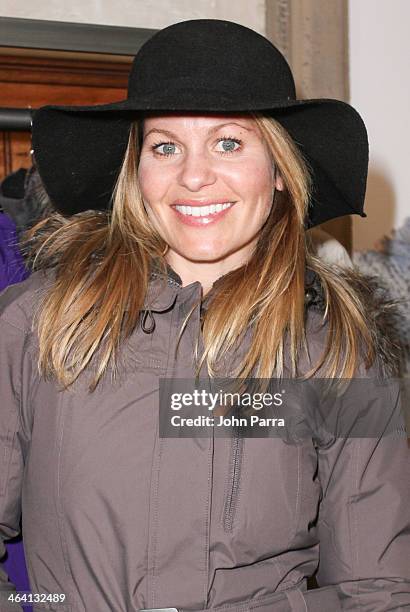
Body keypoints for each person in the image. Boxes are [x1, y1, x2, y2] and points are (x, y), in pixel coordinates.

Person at [0, 19, 409, 612]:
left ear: (279, 170)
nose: (193, 176)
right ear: (135, 173)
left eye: (229, 142)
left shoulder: (340, 355)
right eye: (165, 146)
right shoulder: (38, 324)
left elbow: (380, 590)